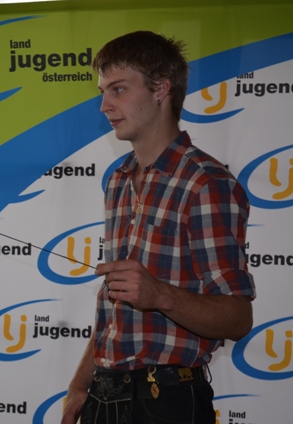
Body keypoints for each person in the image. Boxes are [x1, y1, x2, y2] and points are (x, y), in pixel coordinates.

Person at [61, 31, 255, 424]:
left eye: (118, 89)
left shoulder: (206, 183)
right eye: (103, 92)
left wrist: (159, 295)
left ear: (161, 89)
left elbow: (238, 318)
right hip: (104, 394)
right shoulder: (119, 180)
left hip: (167, 401)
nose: (104, 105)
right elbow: (117, 302)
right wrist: (80, 383)